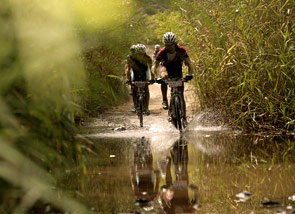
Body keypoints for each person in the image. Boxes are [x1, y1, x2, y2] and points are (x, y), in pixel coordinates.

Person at [152, 32, 194, 126]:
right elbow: (154, 66)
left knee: (181, 95)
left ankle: (184, 118)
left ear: (174, 43)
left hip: (177, 71)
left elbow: (189, 63)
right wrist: (156, 77)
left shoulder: (180, 50)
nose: (168, 47)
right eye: (166, 45)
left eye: (170, 45)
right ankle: (165, 100)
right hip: (166, 70)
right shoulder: (162, 52)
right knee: (164, 75)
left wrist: (190, 74)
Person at [130, 137, 160, 212]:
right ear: (150, 199)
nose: (144, 198)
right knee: (149, 163)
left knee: (137, 163)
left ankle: (136, 148)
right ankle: (148, 146)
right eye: (145, 200)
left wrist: (132, 174)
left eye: (142, 200)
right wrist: (158, 175)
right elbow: (157, 183)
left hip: (140, 175)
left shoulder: (138, 195)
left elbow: (134, 184)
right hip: (149, 175)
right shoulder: (153, 194)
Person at [125, 44, 153, 115]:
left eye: (142, 54)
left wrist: (152, 78)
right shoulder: (131, 58)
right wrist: (128, 79)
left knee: (146, 88)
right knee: (134, 88)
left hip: (144, 71)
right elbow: (128, 69)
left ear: (144, 53)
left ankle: (146, 108)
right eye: (138, 54)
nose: (140, 56)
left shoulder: (148, 58)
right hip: (135, 72)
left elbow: (150, 70)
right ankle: (135, 106)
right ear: (135, 53)